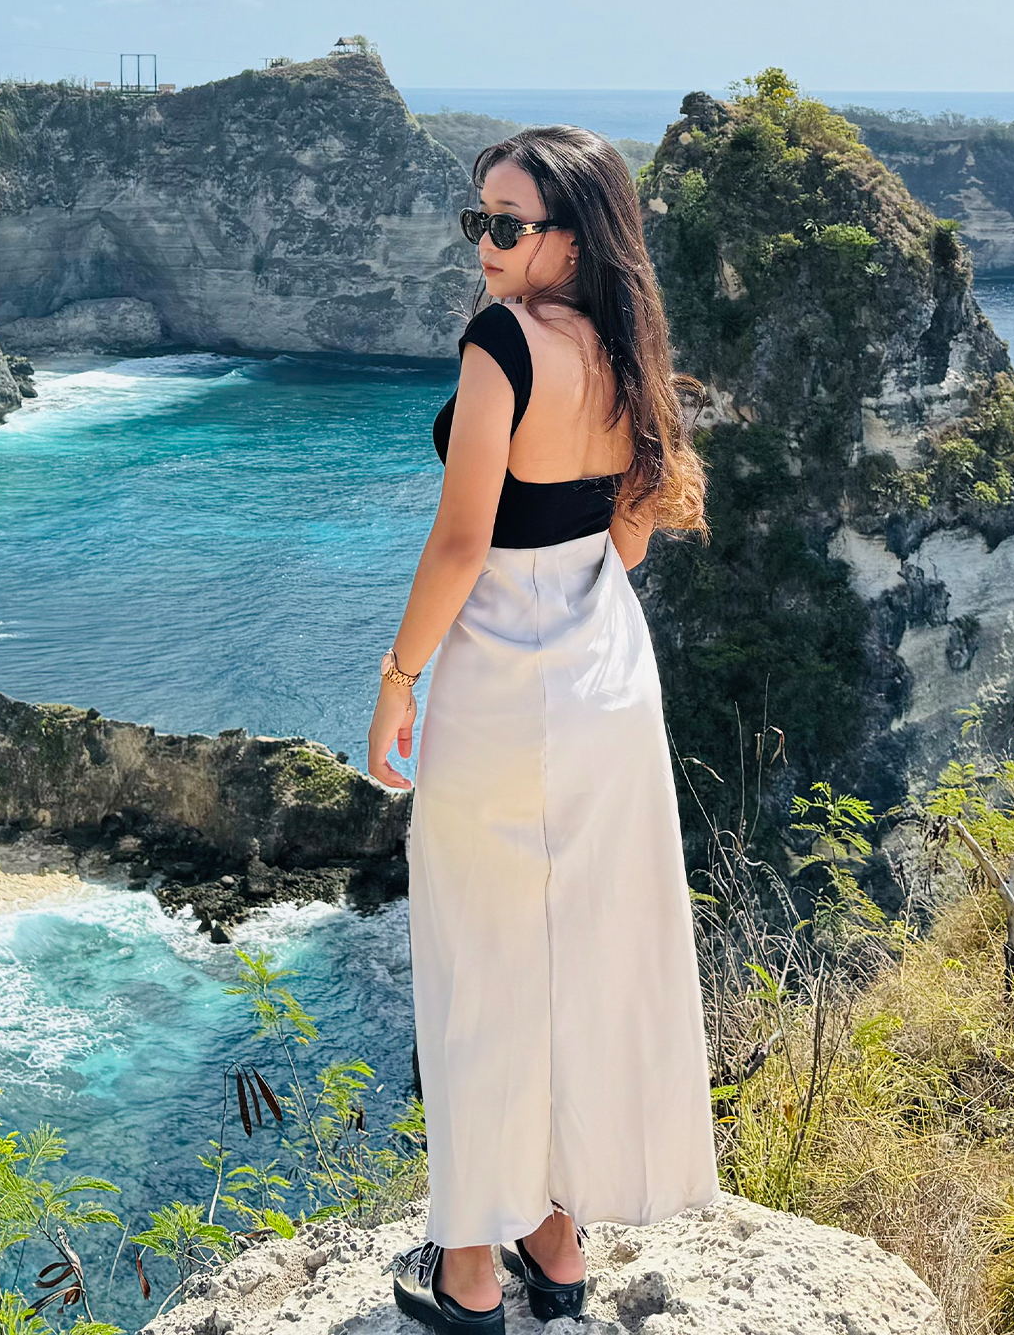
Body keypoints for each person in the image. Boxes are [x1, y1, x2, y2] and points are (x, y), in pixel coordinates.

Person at [367, 125, 718, 1333]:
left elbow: (463, 538)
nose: (487, 247)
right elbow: (626, 527)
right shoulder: (627, 345)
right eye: (479, 222)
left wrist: (398, 674)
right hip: (606, 663)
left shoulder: (502, 342)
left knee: (482, 961)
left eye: (508, 226)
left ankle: (472, 1270)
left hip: (502, 676)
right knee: (585, 947)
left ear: (573, 233)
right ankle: (558, 1239)